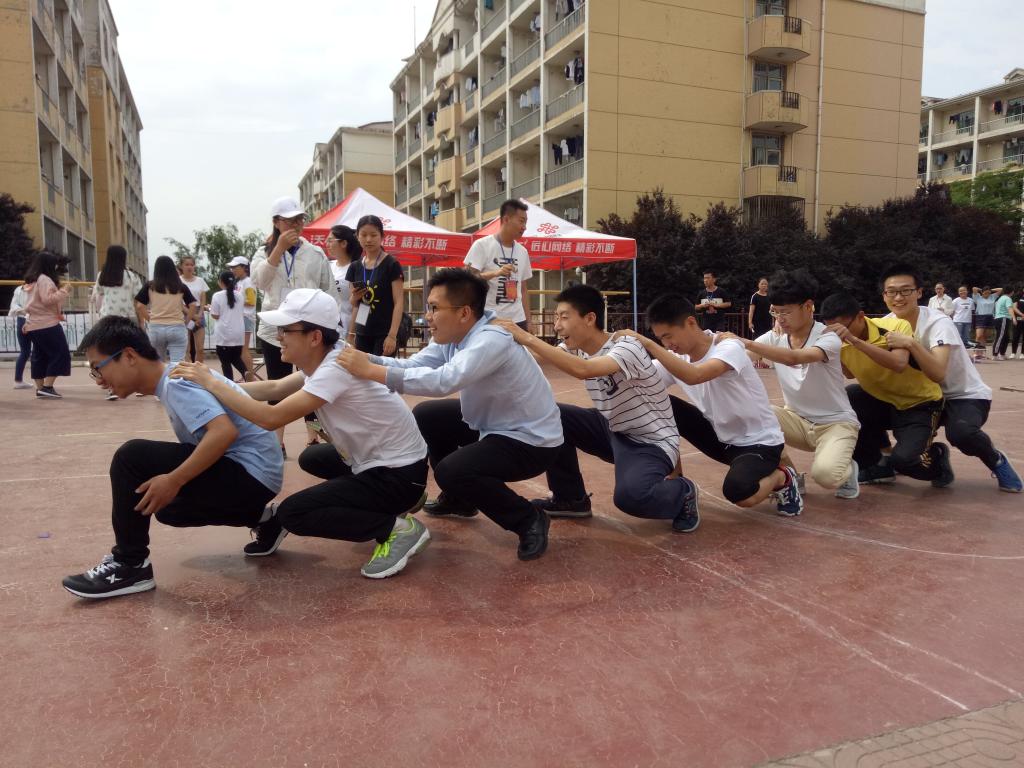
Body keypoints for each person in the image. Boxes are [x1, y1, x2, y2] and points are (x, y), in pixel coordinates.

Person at [172, 289, 432, 579]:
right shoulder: (329, 357)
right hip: (397, 466)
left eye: (286, 330)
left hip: (396, 474)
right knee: (313, 458)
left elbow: (270, 418)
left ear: (315, 337)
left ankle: (396, 529)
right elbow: (274, 388)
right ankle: (399, 501)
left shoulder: (335, 370)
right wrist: (211, 383)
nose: (278, 337)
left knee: (294, 513)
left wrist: (212, 384)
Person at [337, 268, 563, 562]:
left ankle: (528, 519)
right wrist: (364, 358)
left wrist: (370, 371)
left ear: (464, 312)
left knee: (452, 471)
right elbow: (414, 365)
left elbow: (444, 381)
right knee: (429, 415)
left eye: (434, 308)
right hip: (494, 425)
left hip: (530, 440)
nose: (427, 316)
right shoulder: (453, 338)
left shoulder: (491, 339)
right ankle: (460, 499)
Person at [61, 316, 283, 599]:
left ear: (129, 356)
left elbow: (223, 432)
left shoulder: (177, 382)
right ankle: (267, 520)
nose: (99, 381)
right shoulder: (175, 378)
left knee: (131, 457)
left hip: (251, 473)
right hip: (259, 477)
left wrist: (175, 479)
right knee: (169, 509)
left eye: (98, 368)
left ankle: (130, 564)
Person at [495, 284, 700, 533]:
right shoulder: (576, 348)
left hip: (648, 442)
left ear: (590, 318)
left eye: (564, 317)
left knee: (631, 497)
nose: (557, 325)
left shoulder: (626, 346)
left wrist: (525, 335)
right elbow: (539, 356)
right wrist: (494, 335)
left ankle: (683, 492)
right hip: (612, 428)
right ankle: (570, 499)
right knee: (551, 414)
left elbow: (584, 370)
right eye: (556, 317)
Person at [618, 293, 802, 516]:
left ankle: (784, 477)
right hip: (720, 438)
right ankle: (676, 480)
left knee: (740, 493)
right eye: (660, 339)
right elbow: (639, 377)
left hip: (757, 442)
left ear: (690, 322)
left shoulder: (727, 346)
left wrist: (647, 344)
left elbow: (696, 375)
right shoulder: (678, 358)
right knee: (659, 402)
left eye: (668, 336)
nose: (666, 345)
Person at [879, 265, 1021, 493]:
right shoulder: (884, 324)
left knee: (961, 433)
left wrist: (910, 343)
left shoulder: (938, 322)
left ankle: (996, 460)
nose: (898, 297)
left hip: (961, 395)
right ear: (884, 295)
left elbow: (938, 373)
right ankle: (887, 458)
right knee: (857, 397)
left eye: (905, 291)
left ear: (919, 292)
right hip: (921, 400)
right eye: (892, 292)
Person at [725, 270, 860, 499]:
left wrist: (745, 341)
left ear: (808, 306)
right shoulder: (775, 336)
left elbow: (794, 358)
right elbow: (740, 358)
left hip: (835, 423)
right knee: (753, 414)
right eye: (775, 312)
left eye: (785, 312)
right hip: (796, 420)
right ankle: (793, 476)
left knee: (826, 476)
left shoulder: (827, 336)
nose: (780, 318)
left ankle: (848, 470)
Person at [819, 292, 953, 487]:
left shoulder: (895, 326)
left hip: (919, 404)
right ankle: (877, 464)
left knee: (904, 461)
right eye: (832, 329)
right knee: (849, 399)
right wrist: (830, 353)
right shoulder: (839, 342)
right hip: (883, 402)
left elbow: (899, 363)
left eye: (842, 328)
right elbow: (849, 373)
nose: (838, 334)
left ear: (860, 316)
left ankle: (937, 459)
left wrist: (854, 341)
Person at [250, 196, 338, 456]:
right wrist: (277, 250)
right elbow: (260, 282)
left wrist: (332, 327)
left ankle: (313, 436)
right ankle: (277, 442)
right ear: (277, 222)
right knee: (277, 385)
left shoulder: (315, 253)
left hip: (308, 331)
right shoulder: (262, 253)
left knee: (313, 385)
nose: (296, 225)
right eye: (289, 220)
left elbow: (328, 290)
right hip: (275, 331)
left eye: (300, 219)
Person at [463, 199, 533, 331]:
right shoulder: (482, 245)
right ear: (506, 219)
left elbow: (523, 289)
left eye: (525, 222)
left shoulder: (523, 252)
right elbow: (467, 280)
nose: (524, 227)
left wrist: (528, 321)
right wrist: (495, 273)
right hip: (489, 318)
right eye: (521, 221)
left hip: (518, 320)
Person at [345, 215, 405, 356]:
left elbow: (399, 302)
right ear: (357, 236)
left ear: (382, 236)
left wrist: (392, 336)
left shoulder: (391, 264)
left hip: (384, 333)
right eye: (363, 235)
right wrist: (351, 334)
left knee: (380, 369)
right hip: (362, 331)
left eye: (373, 235)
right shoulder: (354, 267)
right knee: (360, 369)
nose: (368, 239)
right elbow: (354, 304)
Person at [90, 245, 144, 400]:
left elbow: (97, 295)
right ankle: (137, 385)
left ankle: (111, 388)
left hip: (107, 318)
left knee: (109, 354)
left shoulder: (102, 275)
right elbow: (139, 297)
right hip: (127, 317)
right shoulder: (131, 276)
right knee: (131, 353)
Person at [22, 250, 72, 399]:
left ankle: (41, 388)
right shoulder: (44, 279)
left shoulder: (33, 280)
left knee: (40, 356)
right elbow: (47, 300)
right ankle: (48, 387)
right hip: (47, 324)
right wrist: (64, 291)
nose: (56, 267)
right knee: (60, 353)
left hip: (34, 324)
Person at [135, 255, 198, 365]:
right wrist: (186, 321)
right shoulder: (180, 286)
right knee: (178, 365)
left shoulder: (150, 286)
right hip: (177, 326)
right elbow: (193, 305)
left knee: (157, 364)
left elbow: (140, 305)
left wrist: (150, 319)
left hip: (156, 327)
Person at [209, 270, 249, 382]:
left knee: (225, 363)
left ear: (221, 282)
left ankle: (229, 384)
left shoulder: (217, 296)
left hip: (224, 334)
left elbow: (215, 315)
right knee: (236, 359)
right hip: (238, 334)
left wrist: (209, 308)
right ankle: (246, 373)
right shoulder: (240, 295)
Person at [326, 224, 361, 340]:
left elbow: (363, 306)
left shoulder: (357, 269)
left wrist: (353, 334)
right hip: (328, 327)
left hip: (348, 329)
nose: (327, 244)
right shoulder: (328, 266)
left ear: (344, 243)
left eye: (330, 240)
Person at [227, 256, 257, 374]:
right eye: (231, 267)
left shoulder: (248, 281)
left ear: (244, 267)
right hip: (240, 318)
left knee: (243, 350)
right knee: (241, 350)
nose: (232, 270)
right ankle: (247, 376)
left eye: (235, 267)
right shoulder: (238, 282)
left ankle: (250, 377)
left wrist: (234, 302)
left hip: (246, 317)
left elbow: (251, 301)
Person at [178, 255, 209, 363]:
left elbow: (203, 298)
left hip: (198, 312)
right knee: (186, 348)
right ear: (181, 266)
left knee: (200, 348)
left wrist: (199, 314)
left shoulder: (200, 281)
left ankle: (198, 369)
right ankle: (188, 370)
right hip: (183, 312)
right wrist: (191, 314)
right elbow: (178, 301)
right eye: (186, 264)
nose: (189, 267)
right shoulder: (178, 281)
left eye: (191, 264)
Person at [8, 281, 33, 390]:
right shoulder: (35, 288)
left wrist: (22, 311)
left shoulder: (18, 289)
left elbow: (13, 306)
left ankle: (18, 380)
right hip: (33, 320)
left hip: (21, 320)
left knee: (25, 352)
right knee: (38, 351)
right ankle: (42, 381)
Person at [971, 286, 1002, 355]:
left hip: (990, 317)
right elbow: (974, 288)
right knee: (979, 335)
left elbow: (1000, 289)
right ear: (982, 293)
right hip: (980, 317)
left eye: (988, 293)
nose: (987, 294)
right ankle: (976, 353)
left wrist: (990, 290)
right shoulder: (978, 297)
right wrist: (982, 289)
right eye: (985, 293)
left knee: (985, 336)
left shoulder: (992, 297)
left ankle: (982, 353)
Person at [992, 287, 1015, 361]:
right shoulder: (1007, 298)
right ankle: (995, 354)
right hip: (1003, 318)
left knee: (1006, 337)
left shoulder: (1000, 298)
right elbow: (1010, 308)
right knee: (1000, 337)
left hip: (1001, 318)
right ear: (1012, 292)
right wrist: (1014, 318)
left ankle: (1002, 354)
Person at [1012, 286, 1024, 361]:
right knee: (1015, 336)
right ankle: (1013, 352)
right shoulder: (1018, 296)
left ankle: (1022, 353)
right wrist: (1022, 314)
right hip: (1018, 319)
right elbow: (1014, 307)